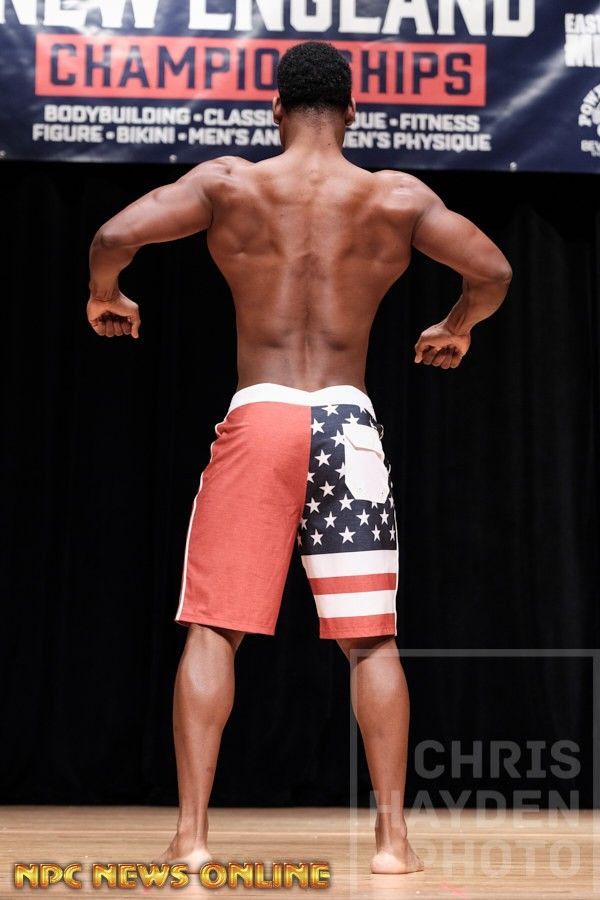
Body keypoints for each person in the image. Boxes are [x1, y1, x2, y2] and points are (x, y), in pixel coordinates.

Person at [86, 40, 511, 876]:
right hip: (349, 428)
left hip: (263, 417)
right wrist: (457, 323)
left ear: (275, 108)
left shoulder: (230, 184)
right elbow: (492, 269)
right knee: (371, 641)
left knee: (215, 629)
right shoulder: (396, 197)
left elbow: (113, 235)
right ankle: (392, 843)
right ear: (351, 111)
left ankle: (192, 837)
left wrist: (107, 294)